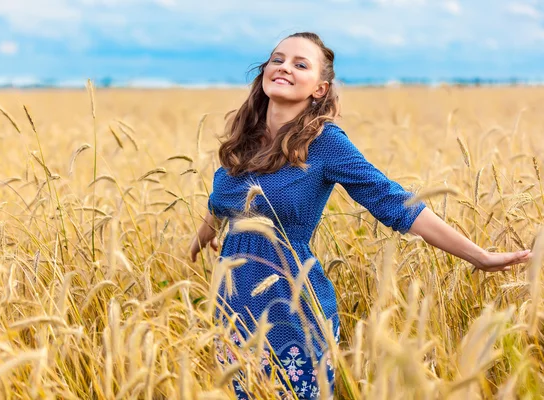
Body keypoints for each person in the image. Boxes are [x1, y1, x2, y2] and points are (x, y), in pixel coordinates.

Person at [189, 32, 533, 399]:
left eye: (299, 64)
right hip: (232, 309)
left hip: (292, 310)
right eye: (278, 59)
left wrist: (479, 256)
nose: (284, 67)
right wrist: (204, 234)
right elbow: (223, 199)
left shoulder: (325, 143)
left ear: (319, 89)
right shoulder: (244, 141)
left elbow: (393, 201)